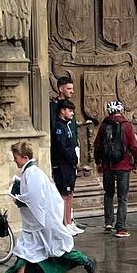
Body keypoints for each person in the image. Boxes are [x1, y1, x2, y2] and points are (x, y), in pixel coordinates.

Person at [0, 141, 97, 273]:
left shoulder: (32, 173)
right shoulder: (29, 172)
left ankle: (85, 261)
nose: (14, 160)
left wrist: (17, 198)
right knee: (24, 249)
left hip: (43, 222)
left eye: (16, 157)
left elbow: (34, 197)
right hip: (35, 222)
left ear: (24, 157)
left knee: (58, 249)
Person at [94, 100, 137, 237]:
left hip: (108, 165)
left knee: (108, 194)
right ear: (121, 111)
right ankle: (120, 227)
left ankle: (108, 222)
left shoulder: (104, 125)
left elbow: (97, 145)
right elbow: (134, 145)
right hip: (123, 165)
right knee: (122, 197)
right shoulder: (126, 125)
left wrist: (98, 162)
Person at [51, 96, 82, 231]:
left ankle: (69, 222)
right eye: (70, 110)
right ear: (62, 111)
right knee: (64, 195)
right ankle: (64, 224)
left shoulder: (67, 126)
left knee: (70, 194)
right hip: (63, 166)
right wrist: (73, 158)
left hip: (70, 166)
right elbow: (62, 147)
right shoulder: (59, 127)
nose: (72, 113)